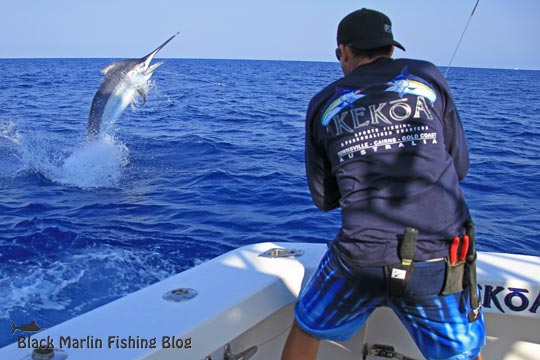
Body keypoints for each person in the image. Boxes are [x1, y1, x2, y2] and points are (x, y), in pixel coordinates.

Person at [281, 8, 485, 360]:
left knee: (306, 327)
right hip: (436, 258)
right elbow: (460, 167)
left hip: (360, 257)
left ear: (342, 52)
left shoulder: (322, 103)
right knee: (465, 353)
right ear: (391, 49)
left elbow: (324, 199)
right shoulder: (427, 75)